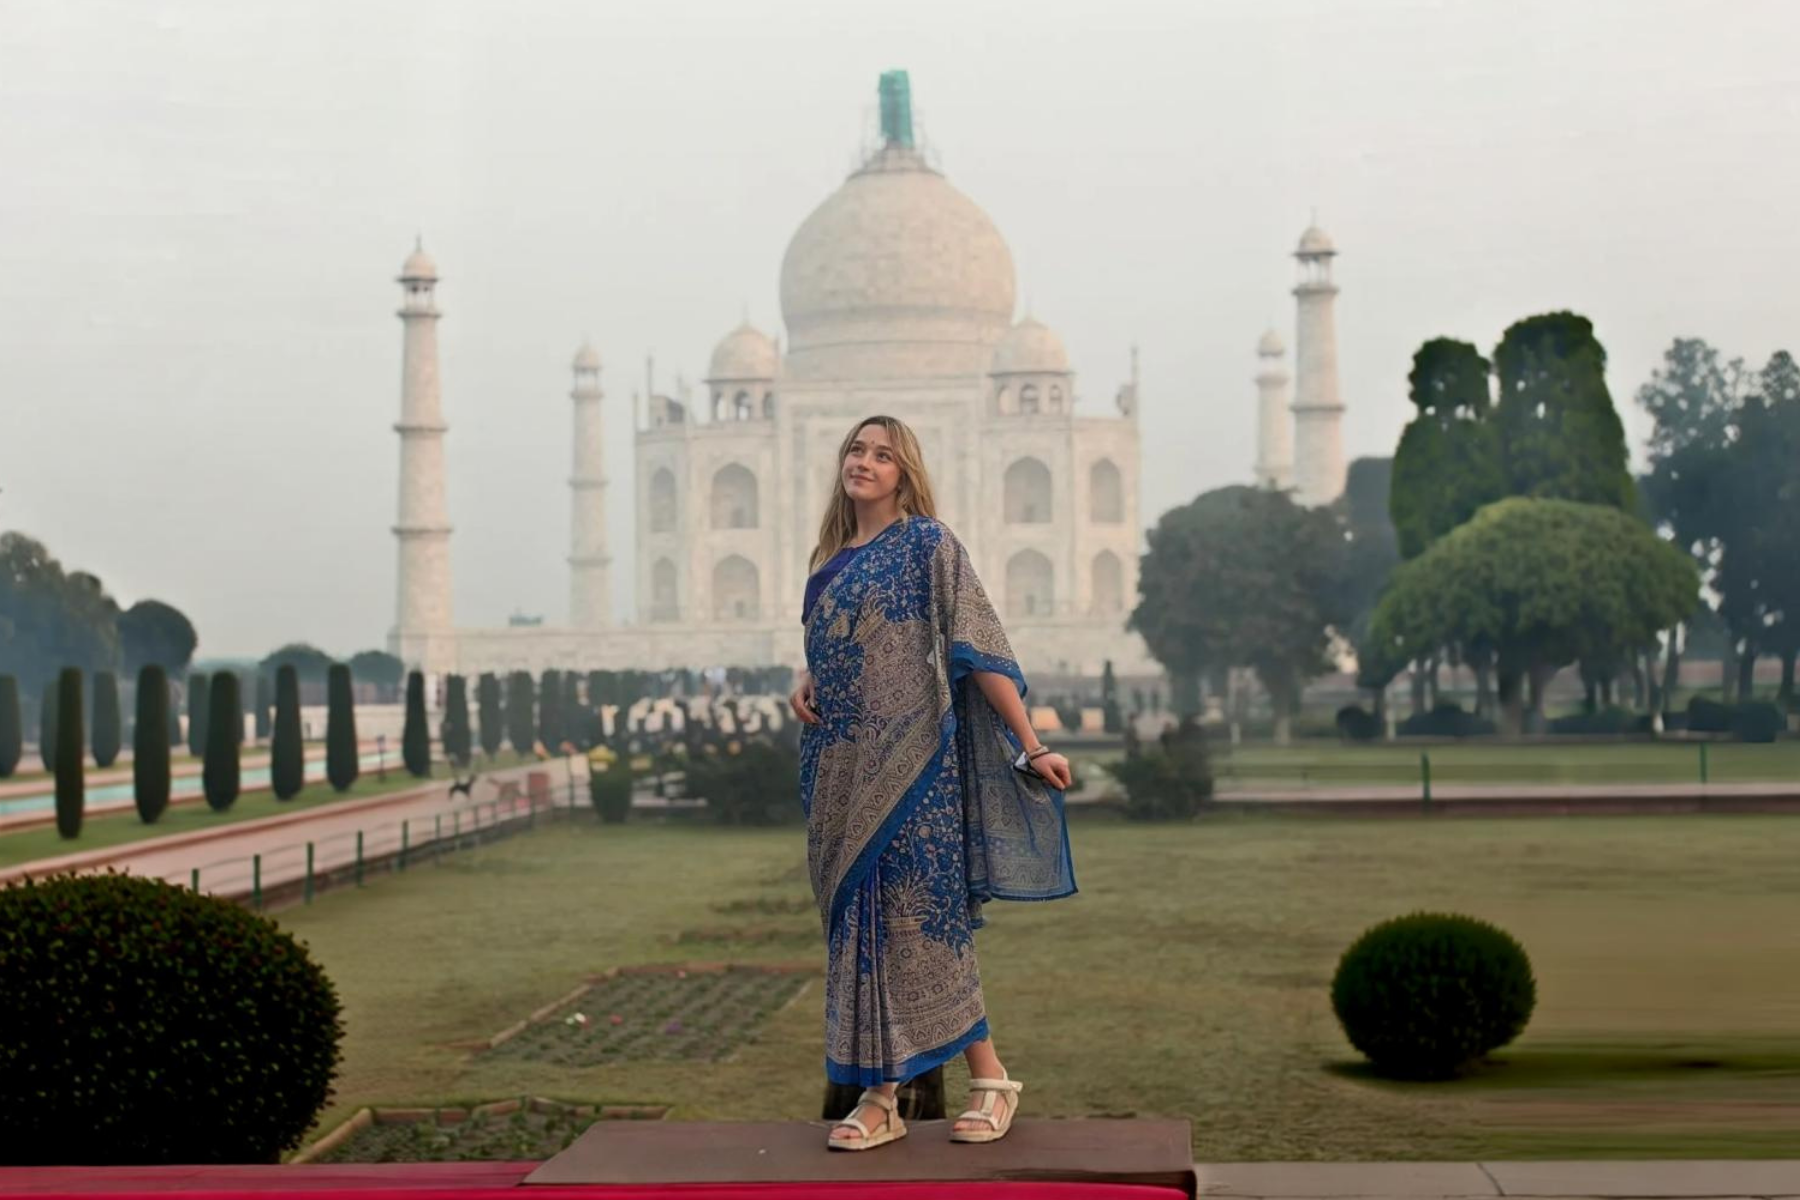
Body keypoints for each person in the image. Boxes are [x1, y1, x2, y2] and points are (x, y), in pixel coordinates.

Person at [790, 415, 1077, 1152]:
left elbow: (976, 643)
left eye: (883, 455)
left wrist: (1031, 741)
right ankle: (882, 1098)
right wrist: (805, 677)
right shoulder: (830, 558)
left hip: (917, 774)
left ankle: (991, 1079)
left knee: (922, 920)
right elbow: (841, 644)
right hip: (841, 773)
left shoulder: (927, 544)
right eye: (856, 449)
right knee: (861, 927)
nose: (865, 462)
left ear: (905, 473)